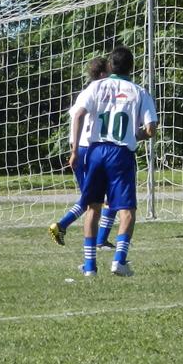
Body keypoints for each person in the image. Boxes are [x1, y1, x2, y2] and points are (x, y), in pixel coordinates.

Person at [69, 46, 158, 277]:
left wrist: (75, 150)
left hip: (96, 150)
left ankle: (89, 267)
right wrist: (135, 135)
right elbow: (151, 129)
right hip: (120, 154)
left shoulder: (96, 86)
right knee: (127, 210)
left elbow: (78, 114)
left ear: (111, 66)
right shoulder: (139, 92)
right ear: (132, 67)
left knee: (93, 208)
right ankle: (119, 260)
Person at [49, 57, 117, 249]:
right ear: (103, 74)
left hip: (90, 148)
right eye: (110, 70)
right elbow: (78, 117)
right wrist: (75, 150)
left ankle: (99, 239)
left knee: (102, 198)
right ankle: (63, 226)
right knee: (96, 199)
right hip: (88, 149)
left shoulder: (94, 93)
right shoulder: (94, 93)